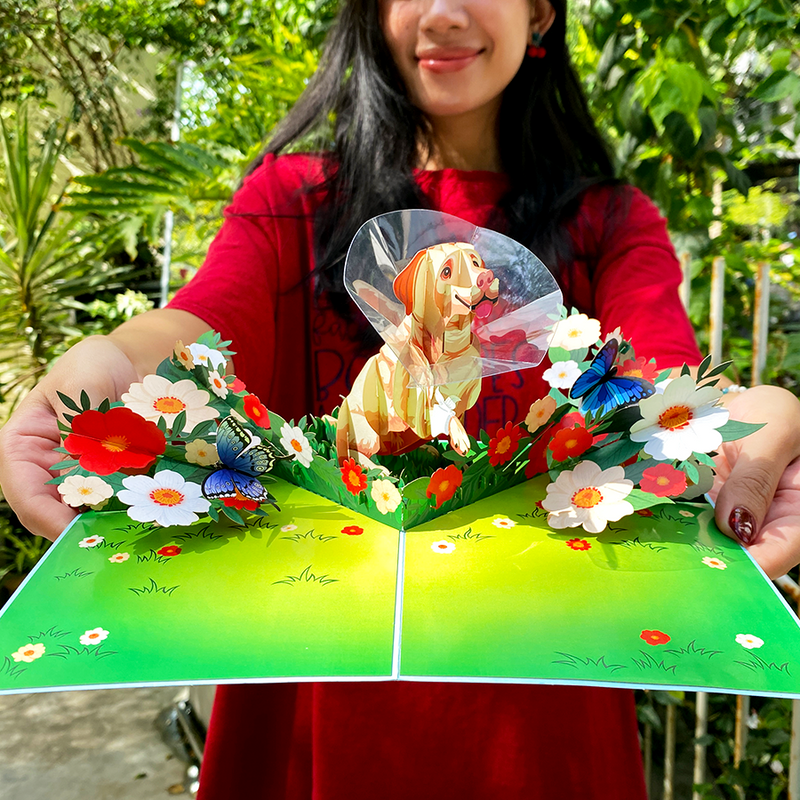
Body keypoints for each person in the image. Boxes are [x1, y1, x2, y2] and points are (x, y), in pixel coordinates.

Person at [1, 0, 800, 797]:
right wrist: (108, 360)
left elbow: (665, 375)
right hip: (311, 688)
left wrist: (746, 421)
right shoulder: (292, 200)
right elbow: (204, 319)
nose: (443, 12)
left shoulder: (610, 222)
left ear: (543, 12)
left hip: (542, 706)